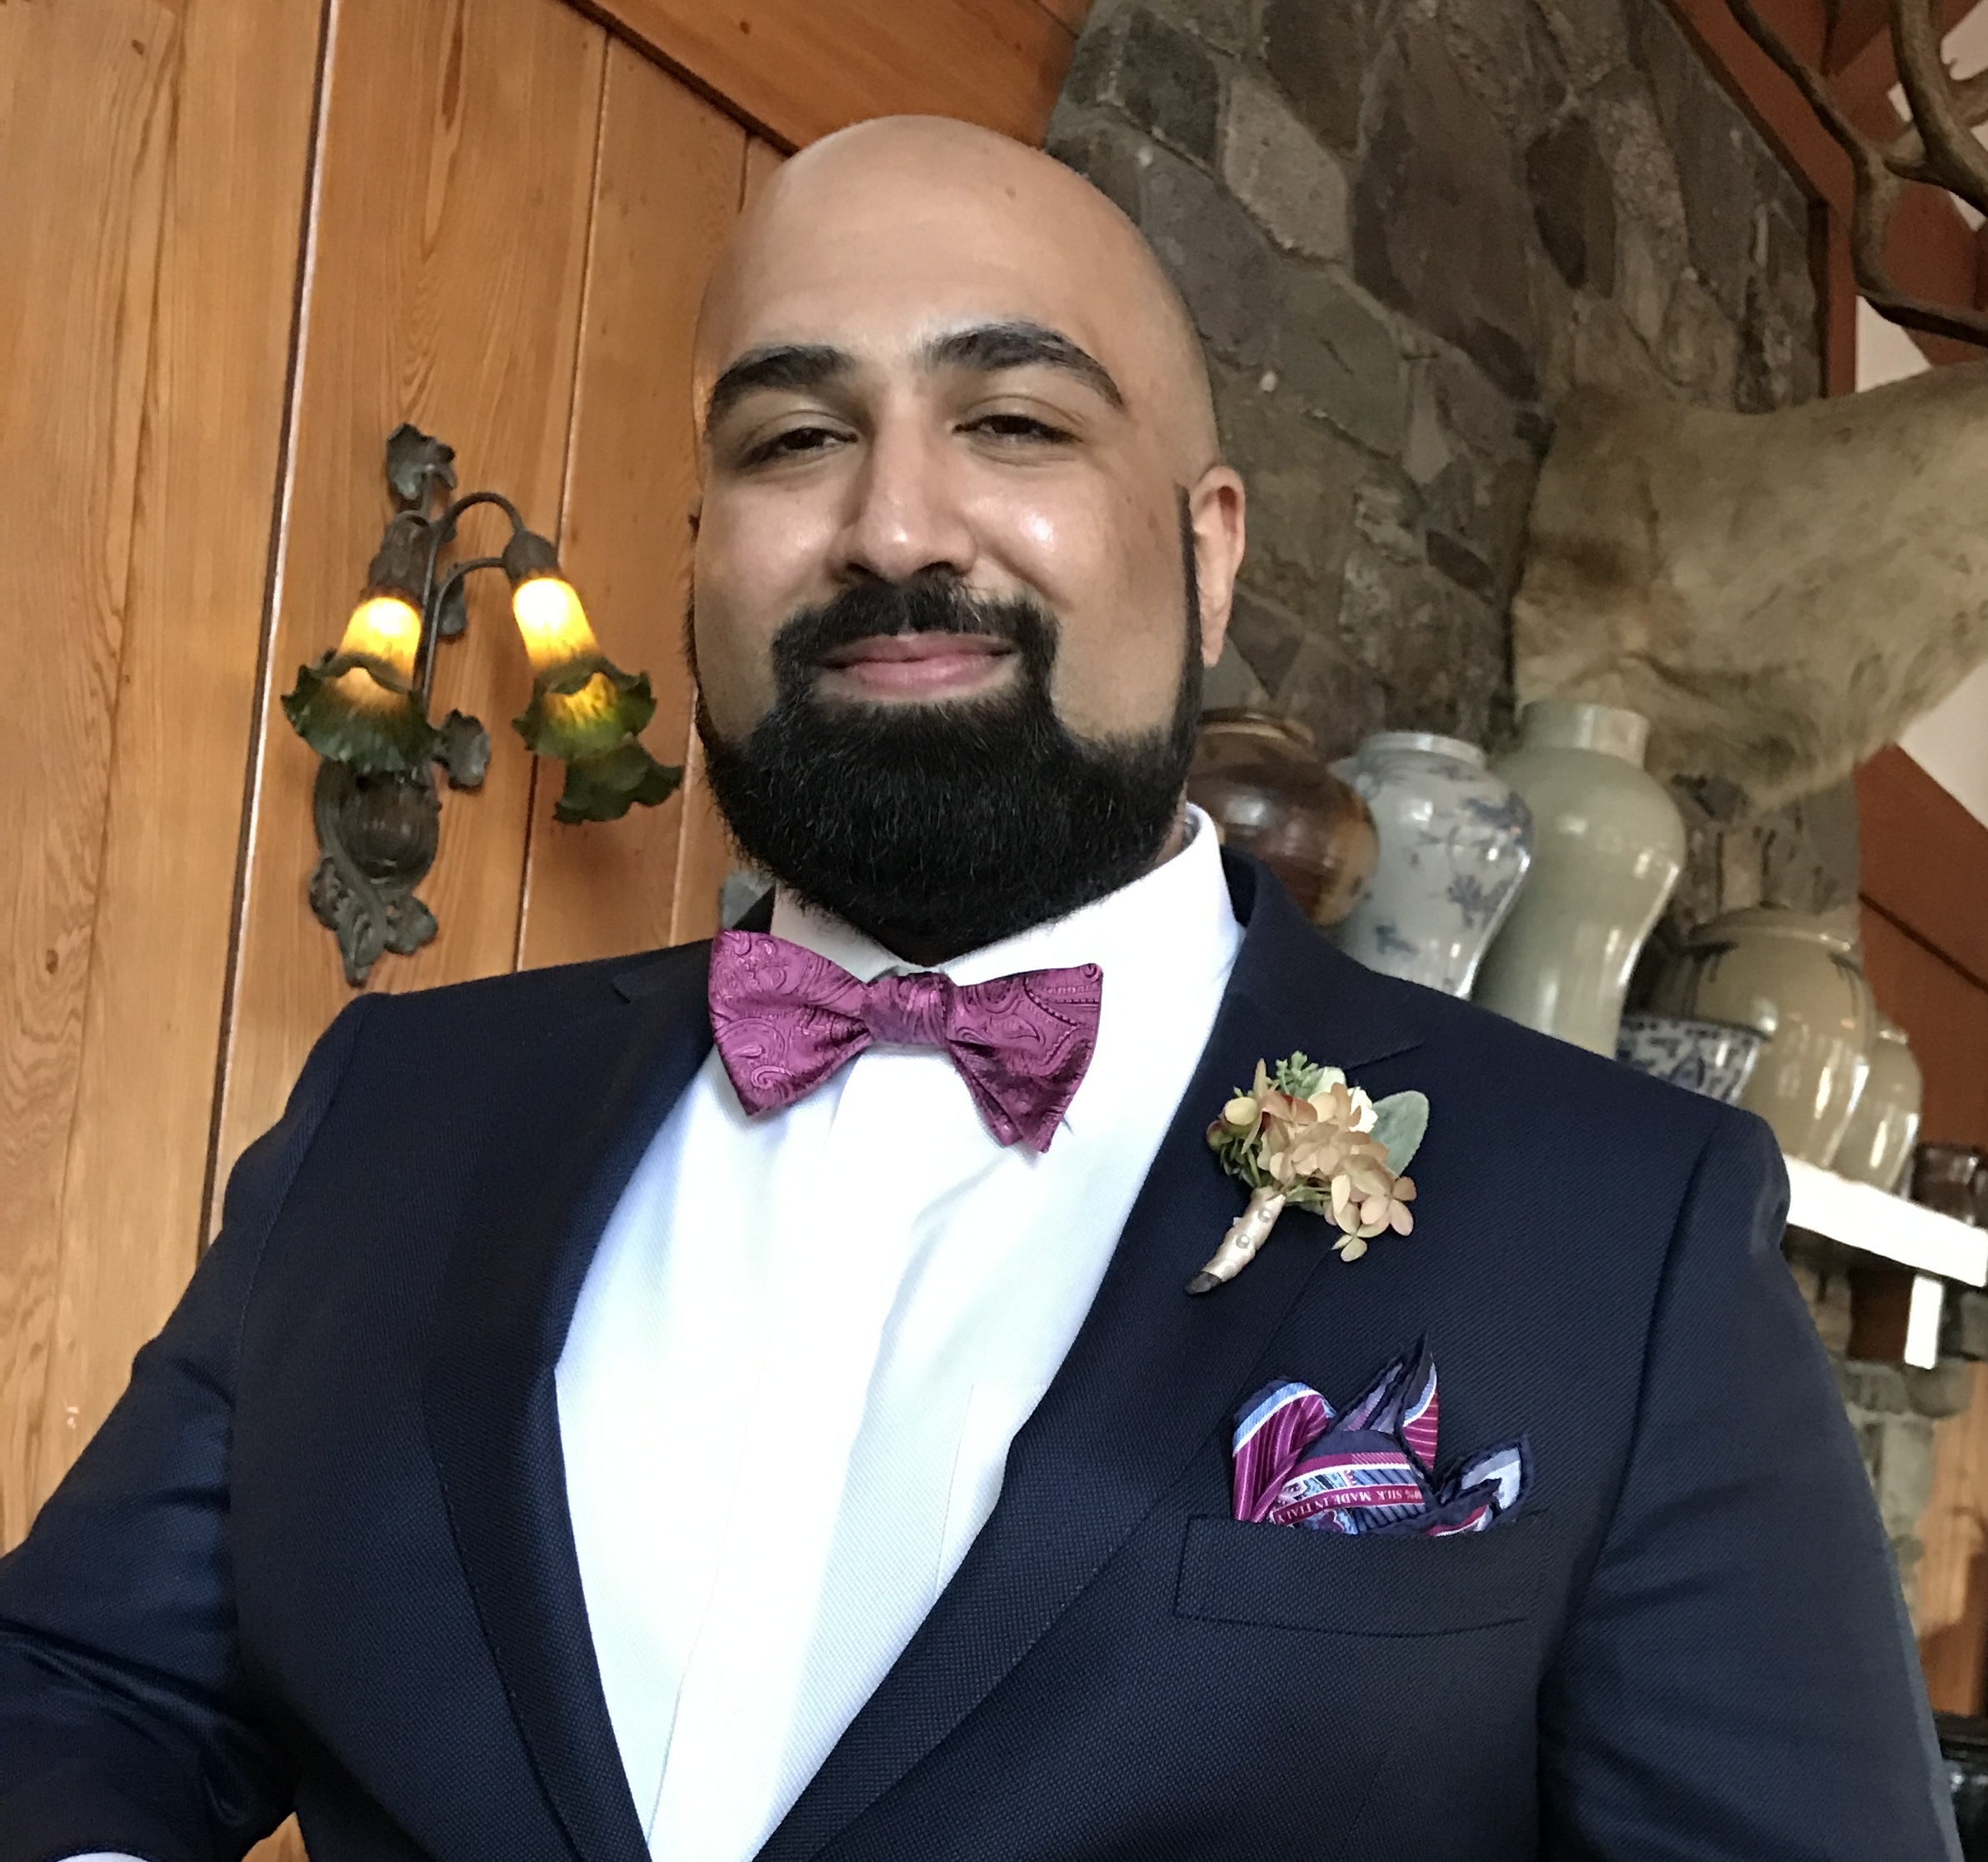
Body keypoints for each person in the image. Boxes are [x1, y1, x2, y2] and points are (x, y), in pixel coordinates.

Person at [0, 115, 1959, 1862]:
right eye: (793, 437)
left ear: (1203, 557)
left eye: (1012, 421)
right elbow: (81, 1691)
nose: (894, 524)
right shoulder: (390, 1112)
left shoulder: (1617, 1229)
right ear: (697, 557)